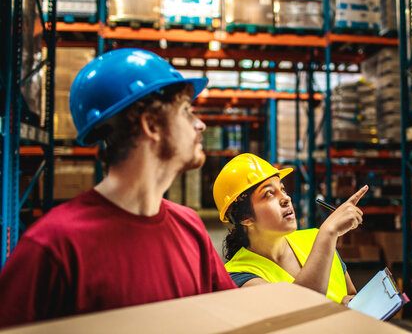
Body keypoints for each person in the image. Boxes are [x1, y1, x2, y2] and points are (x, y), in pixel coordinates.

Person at [0, 48, 236, 328]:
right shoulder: (54, 247)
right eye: (185, 111)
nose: (200, 124)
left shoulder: (190, 227)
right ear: (151, 125)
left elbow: (227, 320)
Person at [213, 153, 369, 305]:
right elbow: (296, 310)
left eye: (283, 189)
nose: (286, 198)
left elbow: (351, 295)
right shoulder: (237, 275)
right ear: (245, 217)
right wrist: (328, 233)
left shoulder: (314, 238)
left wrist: (345, 305)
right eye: (269, 193)